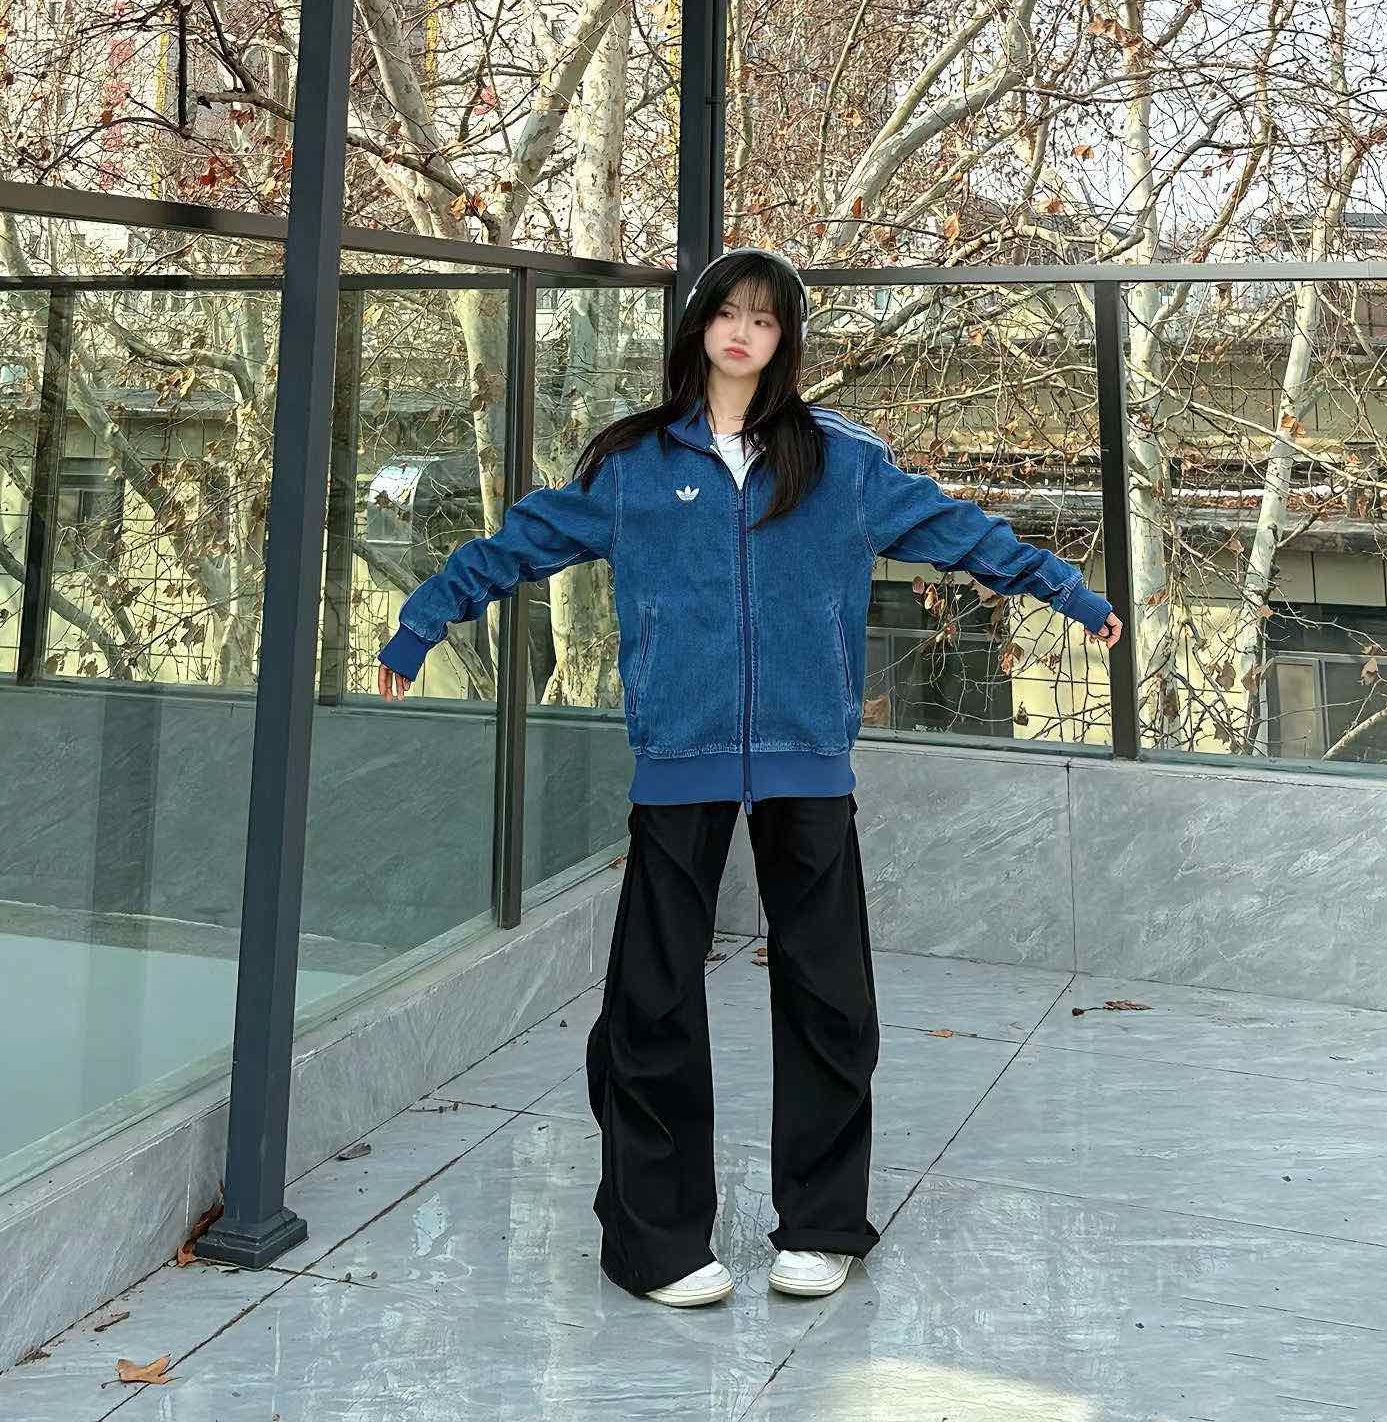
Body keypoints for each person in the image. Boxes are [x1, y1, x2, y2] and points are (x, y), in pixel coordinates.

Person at [376, 246, 1123, 1308]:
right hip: (678, 758)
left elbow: (958, 532)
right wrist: (423, 620)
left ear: (785, 341)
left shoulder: (841, 464)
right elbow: (523, 541)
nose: (743, 333)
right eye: (728, 313)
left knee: (828, 996)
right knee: (651, 1004)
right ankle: (656, 1241)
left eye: (765, 321)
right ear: (699, 328)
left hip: (804, 759)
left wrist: (1066, 592)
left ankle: (821, 1225)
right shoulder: (634, 465)